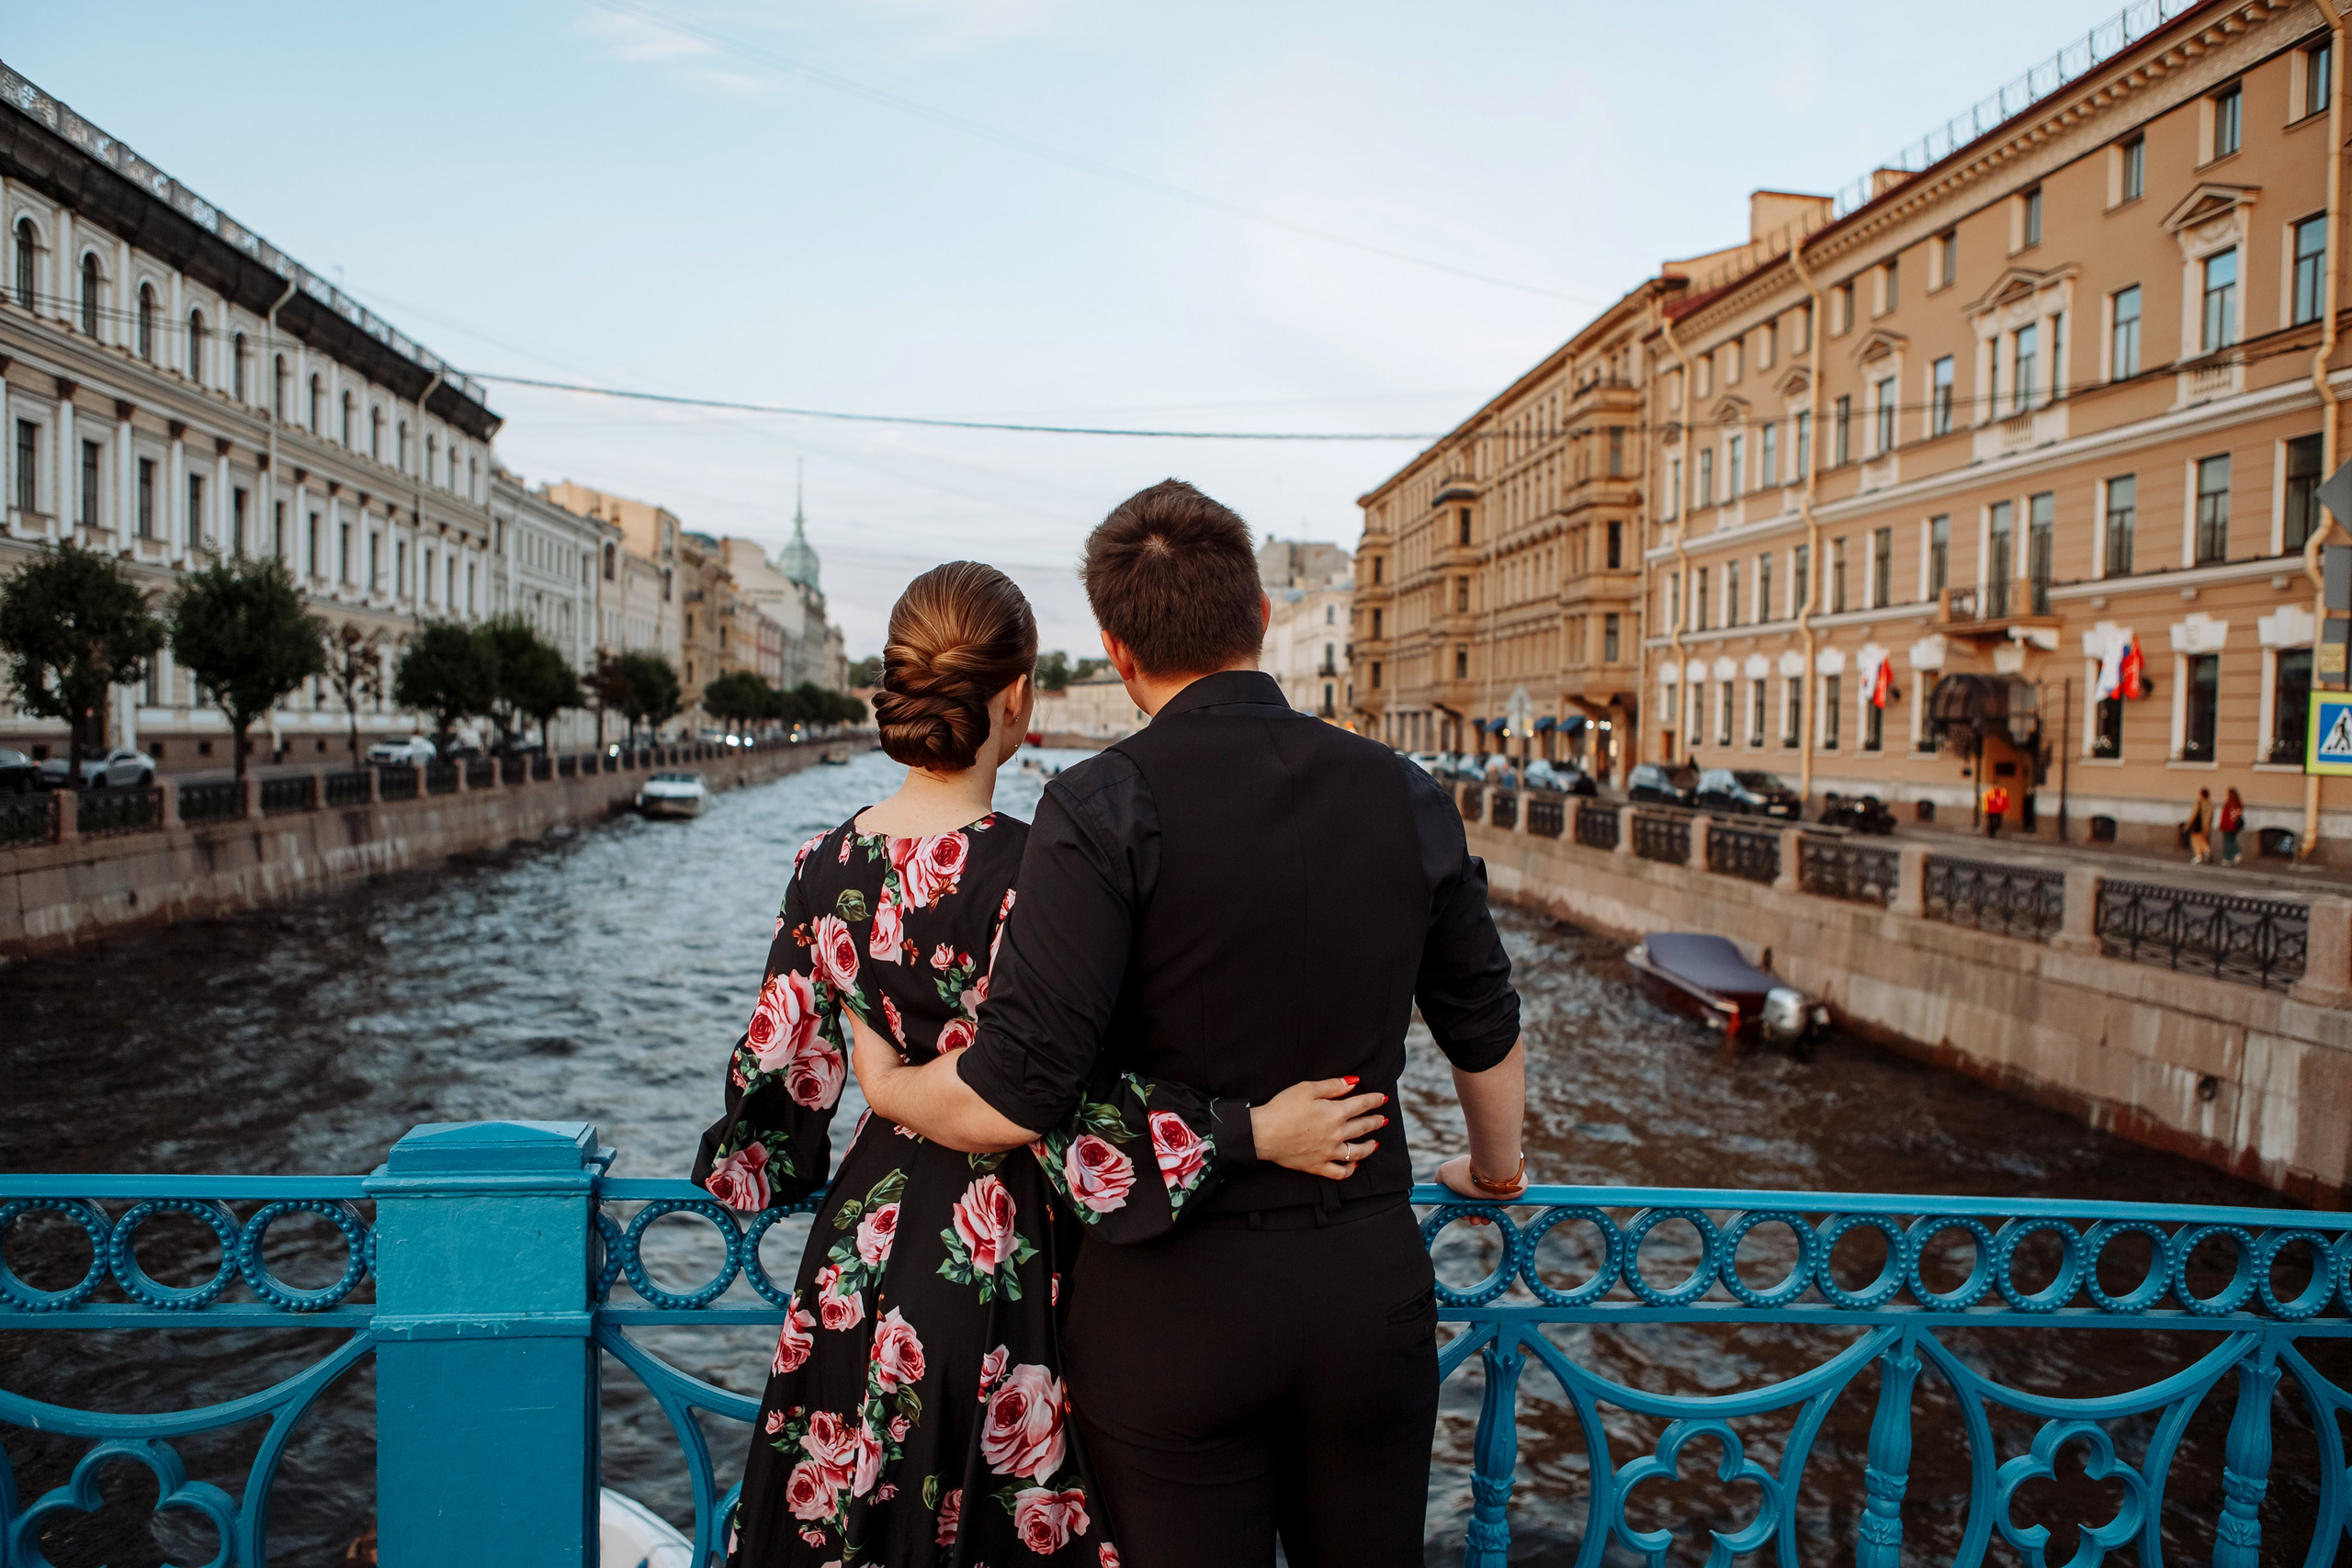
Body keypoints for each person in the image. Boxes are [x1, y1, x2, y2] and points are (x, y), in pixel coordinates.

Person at [850, 481, 1528, 1568]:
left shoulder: (1099, 805)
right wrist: (1495, 1171)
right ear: (1259, 614)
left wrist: (884, 1088)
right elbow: (1481, 1025)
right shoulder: (1404, 792)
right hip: (1363, 1285)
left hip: (1168, 1301)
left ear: (1118, 655)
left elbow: (1017, 1087)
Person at [693, 561, 1380, 1565]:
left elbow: (782, 1064)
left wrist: (775, 1155)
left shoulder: (822, 863)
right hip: (1009, 1246)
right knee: (996, 1509)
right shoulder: (1036, 865)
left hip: (861, 1245)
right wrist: (1251, 1131)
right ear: (1019, 697)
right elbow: (1073, 1091)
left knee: (855, 1504)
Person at [2218, 786, 2245, 865]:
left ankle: (2228, 858)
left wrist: (2221, 825)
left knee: (2227, 842)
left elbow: (2225, 817)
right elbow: (2239, 815)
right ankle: (2237, 853)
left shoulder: (2227, 806)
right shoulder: (2239, 805)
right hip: (2235, 826)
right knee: (2233, 840)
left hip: (2227, 826)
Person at [2187, 786, 2214, 863]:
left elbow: (2194, 814)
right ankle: (2207, 850)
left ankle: (2198, 856)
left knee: (2195, 840)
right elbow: (2211, 816)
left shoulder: (2199, 803)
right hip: (2207, 825)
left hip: (2198, 825)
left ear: (2201, 795)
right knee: (2203, 840)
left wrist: (2189, 824)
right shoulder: (2211, 804)